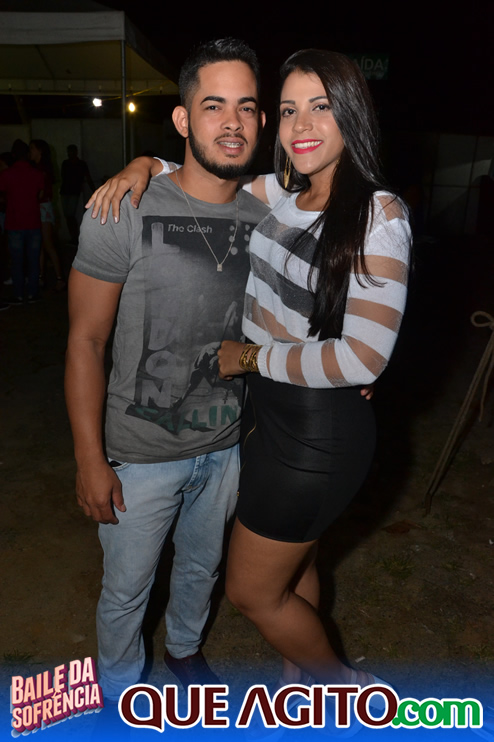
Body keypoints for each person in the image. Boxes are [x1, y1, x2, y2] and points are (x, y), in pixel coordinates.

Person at [88, 48, 411, 707]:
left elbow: (363, 359)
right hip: (269, 423)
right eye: (289, 110)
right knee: (297, 563)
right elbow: (203, 169)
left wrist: (250, 358)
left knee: (251, 591)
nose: (302, 124)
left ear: (352, 114)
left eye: (321, 107)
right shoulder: (285, 194)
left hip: (317, 435)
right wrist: (143, 163)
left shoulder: (379, 213)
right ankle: (301, 673)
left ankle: (344, 690)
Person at [65, 38, 269, 702]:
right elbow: (85, 341)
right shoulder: (124, 207)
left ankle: (184, 651)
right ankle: (120, 690)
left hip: (225, 444)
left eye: (246, 107)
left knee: (202, 570)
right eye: (214, 106)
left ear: (262, 120)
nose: (232, 122)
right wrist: (90, 459)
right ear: (183, 118)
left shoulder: (267, 217)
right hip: (140, 455)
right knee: (127, 590)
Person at [0, 139, 45, 304]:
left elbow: (2, 195)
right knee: (33, 260)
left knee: (16, 261)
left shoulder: (6, 174)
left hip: (14, 222)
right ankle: (33, 292)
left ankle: (18, 294)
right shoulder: (37, 174)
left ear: (13, 155)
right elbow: (40, 195)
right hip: (33, 221)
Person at [29, 140, 65, 291]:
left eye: (32, 148)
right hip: (42, 206)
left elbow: (41, 192)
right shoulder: (39, 168)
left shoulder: (42, 170)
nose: (30, 151)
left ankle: (59, 278)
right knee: (41, 245)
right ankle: (41, 277)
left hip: (43, 207)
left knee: (47, 244)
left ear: (40, 151)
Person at [60, 145, 95, 245]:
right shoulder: (67, 163)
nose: (70, 153)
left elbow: (88, 178)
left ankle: (74, 236)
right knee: (68, 215)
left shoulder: (79, 164)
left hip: (72, 191)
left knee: (70, 215)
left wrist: (94, 190)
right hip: (67, 191)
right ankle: (74, 236)